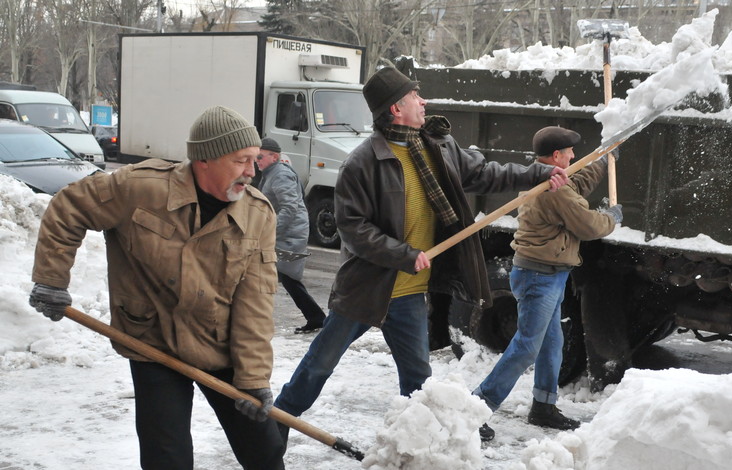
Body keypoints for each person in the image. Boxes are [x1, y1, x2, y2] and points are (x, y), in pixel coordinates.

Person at [273, 67, 569, 442]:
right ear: (396, 108)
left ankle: (419, 444)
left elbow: (485, 174)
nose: (423, 100)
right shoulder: (361, 163)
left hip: (410, 294)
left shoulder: (438, 147)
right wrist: (402, 254)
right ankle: (278, 422)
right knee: (319, 365)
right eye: (415, 95)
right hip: (366, 289)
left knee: (417, 380)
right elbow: (354, 229)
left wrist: (537, 175)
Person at [28, 105, 286, 469]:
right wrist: (52, 279)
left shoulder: (257, 214)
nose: (252, 171)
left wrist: (253, 377)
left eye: (255, 159)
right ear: (205, 160)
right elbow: (69, 207)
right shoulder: (139, 188)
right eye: (242, 160)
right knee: (168, 458)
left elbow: (256, 300)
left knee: (265, 450)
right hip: (153, 341)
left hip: (221, 343)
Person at [473, 126, 622, 441]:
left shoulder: (549, 180)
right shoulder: (553, 189)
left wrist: (601, 161)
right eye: (570, 152)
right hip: (538, 277)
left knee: (552, 343)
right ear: (557, 155)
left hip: (549, 275)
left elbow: (576, 183)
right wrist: (611, 218)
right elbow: (587, 223)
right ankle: (475, 408)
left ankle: (543, 406)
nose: (573, 156)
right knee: (527, 346)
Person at [255, 137, 327, 333]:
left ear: (274, 156)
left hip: (288, 235)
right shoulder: (272, 172)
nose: (257, 160)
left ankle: (315, 317)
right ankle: (315, 317)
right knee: (284, 277)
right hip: (287, 232)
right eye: (256, 157)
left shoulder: (279, 175)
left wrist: (270, 231)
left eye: (260, 156)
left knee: (280, 276)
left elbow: (289, 207)